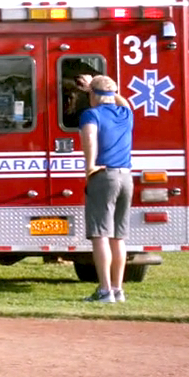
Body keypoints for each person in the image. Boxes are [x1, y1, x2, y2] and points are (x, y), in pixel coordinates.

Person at [79, 75, 135, 303]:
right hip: (126, 177)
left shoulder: (91, 114)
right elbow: (124, 103)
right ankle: (118, 289)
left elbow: (90, 138)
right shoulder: (125, 114)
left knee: (100, 235)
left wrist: (89, 166)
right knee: (118, 237)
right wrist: (104, 89)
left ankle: (104, 291)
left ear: (92, 95)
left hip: (104, 176)